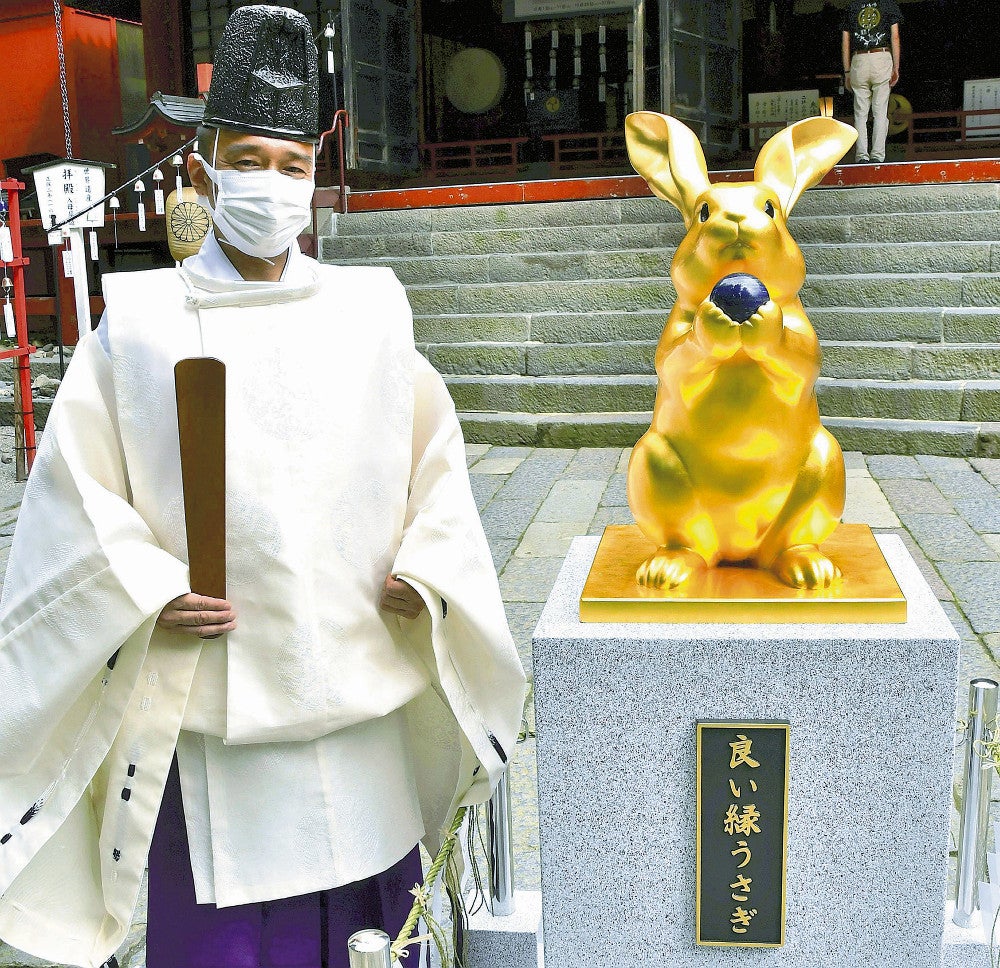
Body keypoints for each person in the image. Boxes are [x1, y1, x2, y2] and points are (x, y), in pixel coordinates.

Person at [0, 7, 526, 968]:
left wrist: (429, 569)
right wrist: (147, 588)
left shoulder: (371, 312)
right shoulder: (142, 325)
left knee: (379, 932)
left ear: (315, 177)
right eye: (249, 160)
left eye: (293, 164)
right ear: (205, 172)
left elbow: (436, 469)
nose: (271, 184)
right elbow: (76, 492)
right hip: (219, 720)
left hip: (362, 703)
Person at [842, 0, 902, 163]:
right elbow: (895, 37)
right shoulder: (888, 4)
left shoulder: (852, 7)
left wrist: (847, 72)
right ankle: (877, 155)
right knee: (880, 112)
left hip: (859, 60)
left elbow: (846, 42)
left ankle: (862, 155)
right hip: (881, 57)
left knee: (860, 114)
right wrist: (896, 67)